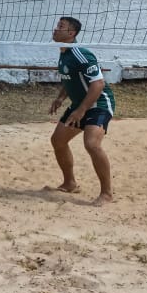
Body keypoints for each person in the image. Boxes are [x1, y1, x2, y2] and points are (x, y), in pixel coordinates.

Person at [48, 16, 115, 205]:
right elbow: (69, 77)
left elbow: (98, 84)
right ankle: (70, 183)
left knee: (92, 144)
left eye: (60, 27)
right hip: (79, 104)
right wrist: (61, 98)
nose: (55, 29)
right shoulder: (64, 53)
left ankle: (107, 193)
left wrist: (81, 111)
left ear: (71, 33)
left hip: (98, 104)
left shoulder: (81, 54)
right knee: (58, 141)